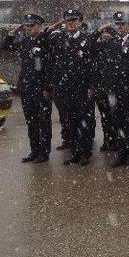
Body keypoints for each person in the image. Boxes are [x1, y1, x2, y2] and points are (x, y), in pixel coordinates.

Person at [2, 14, 54, 163]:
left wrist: (48, 87)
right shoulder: (25, 41)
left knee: (43, 122)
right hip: (26, 87)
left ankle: (44, 153)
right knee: (31, 122)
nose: (28, 28)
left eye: (32, 25)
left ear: (39, 26)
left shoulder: (46, 41)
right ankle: (34, 150)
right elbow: (6, 47)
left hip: (41, 89)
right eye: (26, 26)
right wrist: (12, 33)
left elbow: (51, 66)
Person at [91, 13, 129, 167]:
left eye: (123, 24)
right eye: (118, 24)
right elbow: (90, 44)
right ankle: (121, 153)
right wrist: (100, 29)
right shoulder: (109, 43)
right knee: (117, 124)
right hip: (113, 91)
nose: (120, 27)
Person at [48, 9, 96, 166]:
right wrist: (55, 85)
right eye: (67, 20)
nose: (70, 23)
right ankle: (75, 152)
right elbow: (54, 64)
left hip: (82, 89)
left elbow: (94, 66)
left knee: (85, 122)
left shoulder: (88, 40)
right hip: (64, 89)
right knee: (71, 122)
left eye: (74, 20)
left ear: (80, 22)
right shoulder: (58, 39)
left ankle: (85, 153)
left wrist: (92, 86)